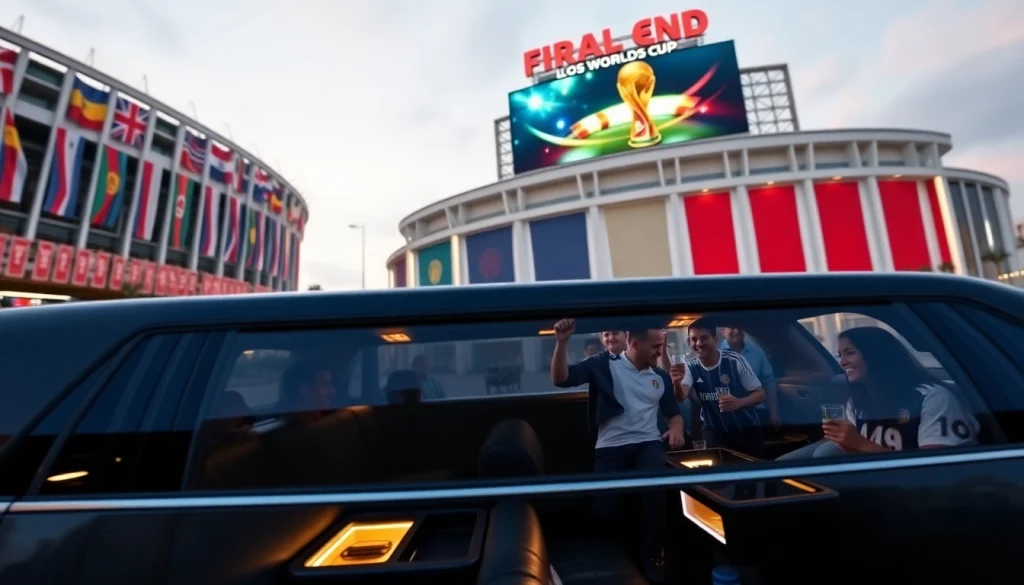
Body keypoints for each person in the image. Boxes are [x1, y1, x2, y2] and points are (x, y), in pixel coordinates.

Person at [550, 319, 683, 583]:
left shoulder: (661, 377)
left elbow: (674, 414)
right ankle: (619, 553)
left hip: (648, 443)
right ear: (634, 344)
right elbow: (561, 379)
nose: (660, 351)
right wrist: (562, 341)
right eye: (656, 346)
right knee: (604, 509)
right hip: (611, 447)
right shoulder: (603, 364)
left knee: (656, 487)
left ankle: (651, 556)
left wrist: (676, 429)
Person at [778, 327, 979, 460]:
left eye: (850, 353)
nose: (843, 362)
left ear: (875, 354)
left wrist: (860, 444)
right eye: (840, 355)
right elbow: (845, 446)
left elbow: (935, 469)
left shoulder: (933, 398)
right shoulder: (859, 398)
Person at [672, 318, 766, 457]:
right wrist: (676, 383)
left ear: (715, 339)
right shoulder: (690, 366)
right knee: (718, 472)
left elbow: (760, 394)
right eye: (693, 339)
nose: (698, 343)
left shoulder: (734, 360)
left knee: (752, 473)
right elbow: (681, 397)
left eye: (704, 338)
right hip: (713, 429)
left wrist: (739, 403)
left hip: (745, 427)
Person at [720, 327, 780, 428]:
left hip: (757, 411)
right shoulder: (715, 354)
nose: (736, 331)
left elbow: (769, 383)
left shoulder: (757, 352)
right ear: (723, 332)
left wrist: (774, 413)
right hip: (728, 414)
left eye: (739, 327)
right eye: (731, 327)